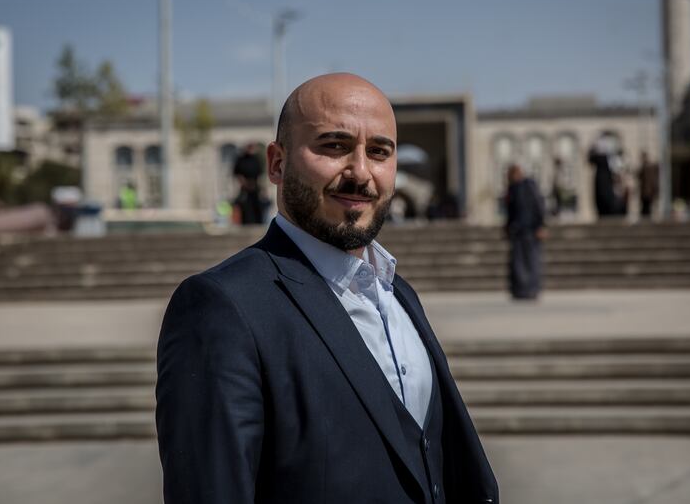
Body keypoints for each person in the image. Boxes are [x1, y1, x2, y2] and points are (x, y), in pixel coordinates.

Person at [156, 73, 498, 504]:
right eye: (334, 146)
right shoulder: (223, 307)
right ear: (277, 163)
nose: (360, 172)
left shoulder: (399, 294)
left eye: (379, 152)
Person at [505, 164, 546, 300]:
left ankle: (532, 289)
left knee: (532, 260)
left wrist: (540, 225)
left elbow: (538, 206)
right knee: (518, 262)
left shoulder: (529, 186)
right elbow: (511, 212)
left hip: (530, 229)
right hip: (518, 230)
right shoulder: (512, 189)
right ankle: (520, 290)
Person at [232, 142, 266, 225]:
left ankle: (258, 222)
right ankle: (245, 222)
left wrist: (255, 184)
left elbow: (260, 173)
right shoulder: (241, 159)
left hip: (254, 186)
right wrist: (244, 182)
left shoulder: (256, 159)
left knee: (257, 204)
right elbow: (236, 172)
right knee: (244, 205)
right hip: (244, 187)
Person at [636, 151, 659, 218]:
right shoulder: (648, 166)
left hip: (647, 192)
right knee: (646, 208)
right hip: (647, 192)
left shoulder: (647, 167)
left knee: (646, 209)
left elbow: (651, 180)